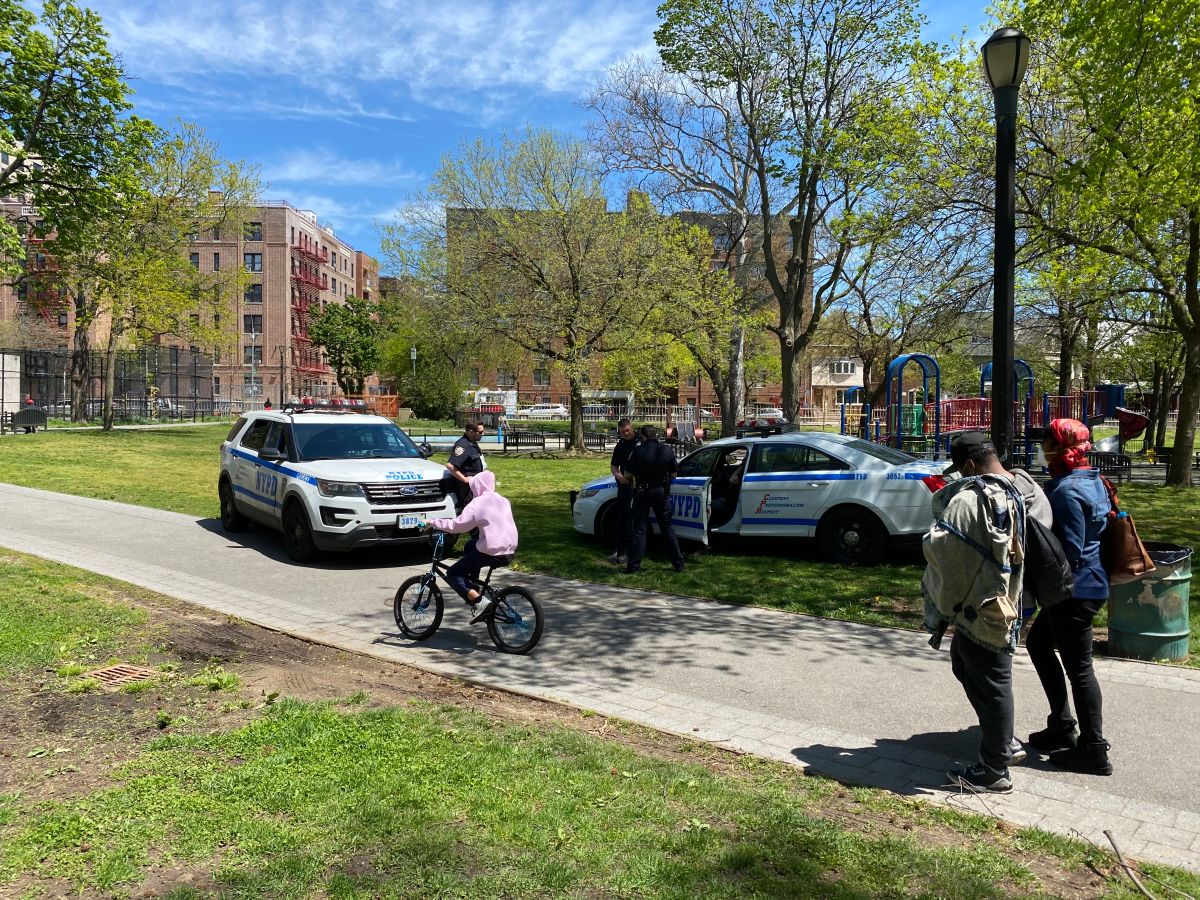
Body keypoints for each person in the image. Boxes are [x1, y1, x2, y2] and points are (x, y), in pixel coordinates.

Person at [923, 432, 1026, 793]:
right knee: (967, 663)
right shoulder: (1018, 487)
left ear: (968, 465)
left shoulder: (971, 497)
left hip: (982, 607)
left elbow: (942, 550)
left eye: (959, 469)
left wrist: (942, 603)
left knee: (993, 680)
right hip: (1004, 598)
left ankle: (995, 767)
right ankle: (1000, 743)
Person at [1025, 418, 1113, 776]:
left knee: (1080, 669)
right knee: (1038, 644)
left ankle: (1094, 750)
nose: (1040, 448)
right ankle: (1062, 725)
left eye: (1045, 442)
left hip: (1075, 591)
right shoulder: (1094, 480)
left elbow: (1069, 552)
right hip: (1089, 585)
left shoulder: (1064, 491)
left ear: (1059, 448)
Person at [425, 470, 517, 624]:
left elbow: (457, 526)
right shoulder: (503, 500)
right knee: (469, 545)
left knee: (453, 573)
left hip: (491, 550)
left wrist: (433, 522)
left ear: (476, 487)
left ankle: (478, 601)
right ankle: (473, 587)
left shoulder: (477, 503)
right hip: (509, 548)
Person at [623, 424, 685, 574]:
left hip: (642, 492)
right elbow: (674, 474)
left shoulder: (637, 451)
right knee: (667, 528)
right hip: (660, 492)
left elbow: (627, 474)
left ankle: (634, 566)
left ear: (643, 437)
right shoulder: (666, 450)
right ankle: (678, 564)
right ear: (655, 435)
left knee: (640, 529)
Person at [606, 417, 638, 565]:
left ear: (631, 427)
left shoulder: (640, 441)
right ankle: (617, 549)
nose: (625, 434)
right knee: (621, 517)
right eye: (622, 432)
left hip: (637, 487)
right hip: (624, 485)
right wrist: (619, 476)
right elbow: (613, 466)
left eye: (627, 431)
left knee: (632, 520)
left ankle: (627, 551)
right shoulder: (621, 445)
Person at [445, 420, 488, 513]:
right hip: (467, 490)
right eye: (480, 432)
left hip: (475, 486)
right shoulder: (463, 445)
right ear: (471, 432)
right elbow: (450, 465)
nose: (483, 434)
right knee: (468, 514)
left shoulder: (472, 443)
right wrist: (464, 479)